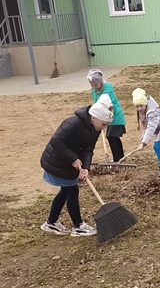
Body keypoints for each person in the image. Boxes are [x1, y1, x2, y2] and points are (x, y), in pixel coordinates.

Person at [40, 93, 114, 237]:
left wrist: (86, 166)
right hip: (57, 161)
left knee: (66, 191)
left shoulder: (95, 129)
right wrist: (73, 159)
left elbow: (88, 149)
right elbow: (56, 141)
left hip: (67, 163)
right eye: (104, 124)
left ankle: (51, 222)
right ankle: (78, 226)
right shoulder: (73, 122)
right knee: (72, 191)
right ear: (93, 117)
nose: (104, 128)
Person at [133, 87, 160, 180]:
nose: (139, 108)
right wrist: (142, 140)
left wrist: (144, 143)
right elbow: (145, 127)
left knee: (157, 146)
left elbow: (151, 127)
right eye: (137, 106)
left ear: (145, 104)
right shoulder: (142, 113)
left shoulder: (152, 112)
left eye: (141, 105)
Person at [87, 68, 126, 162]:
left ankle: (118, 159)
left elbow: (110, 106)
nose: (94, 87)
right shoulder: (94, 90)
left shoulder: (107, 91)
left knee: (112, 137)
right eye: (92, 85)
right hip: (105, 117)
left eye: (96, 85)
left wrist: (103, 119)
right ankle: (120, 158)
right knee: (113, 138)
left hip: (114, 116)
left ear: (100, 82)